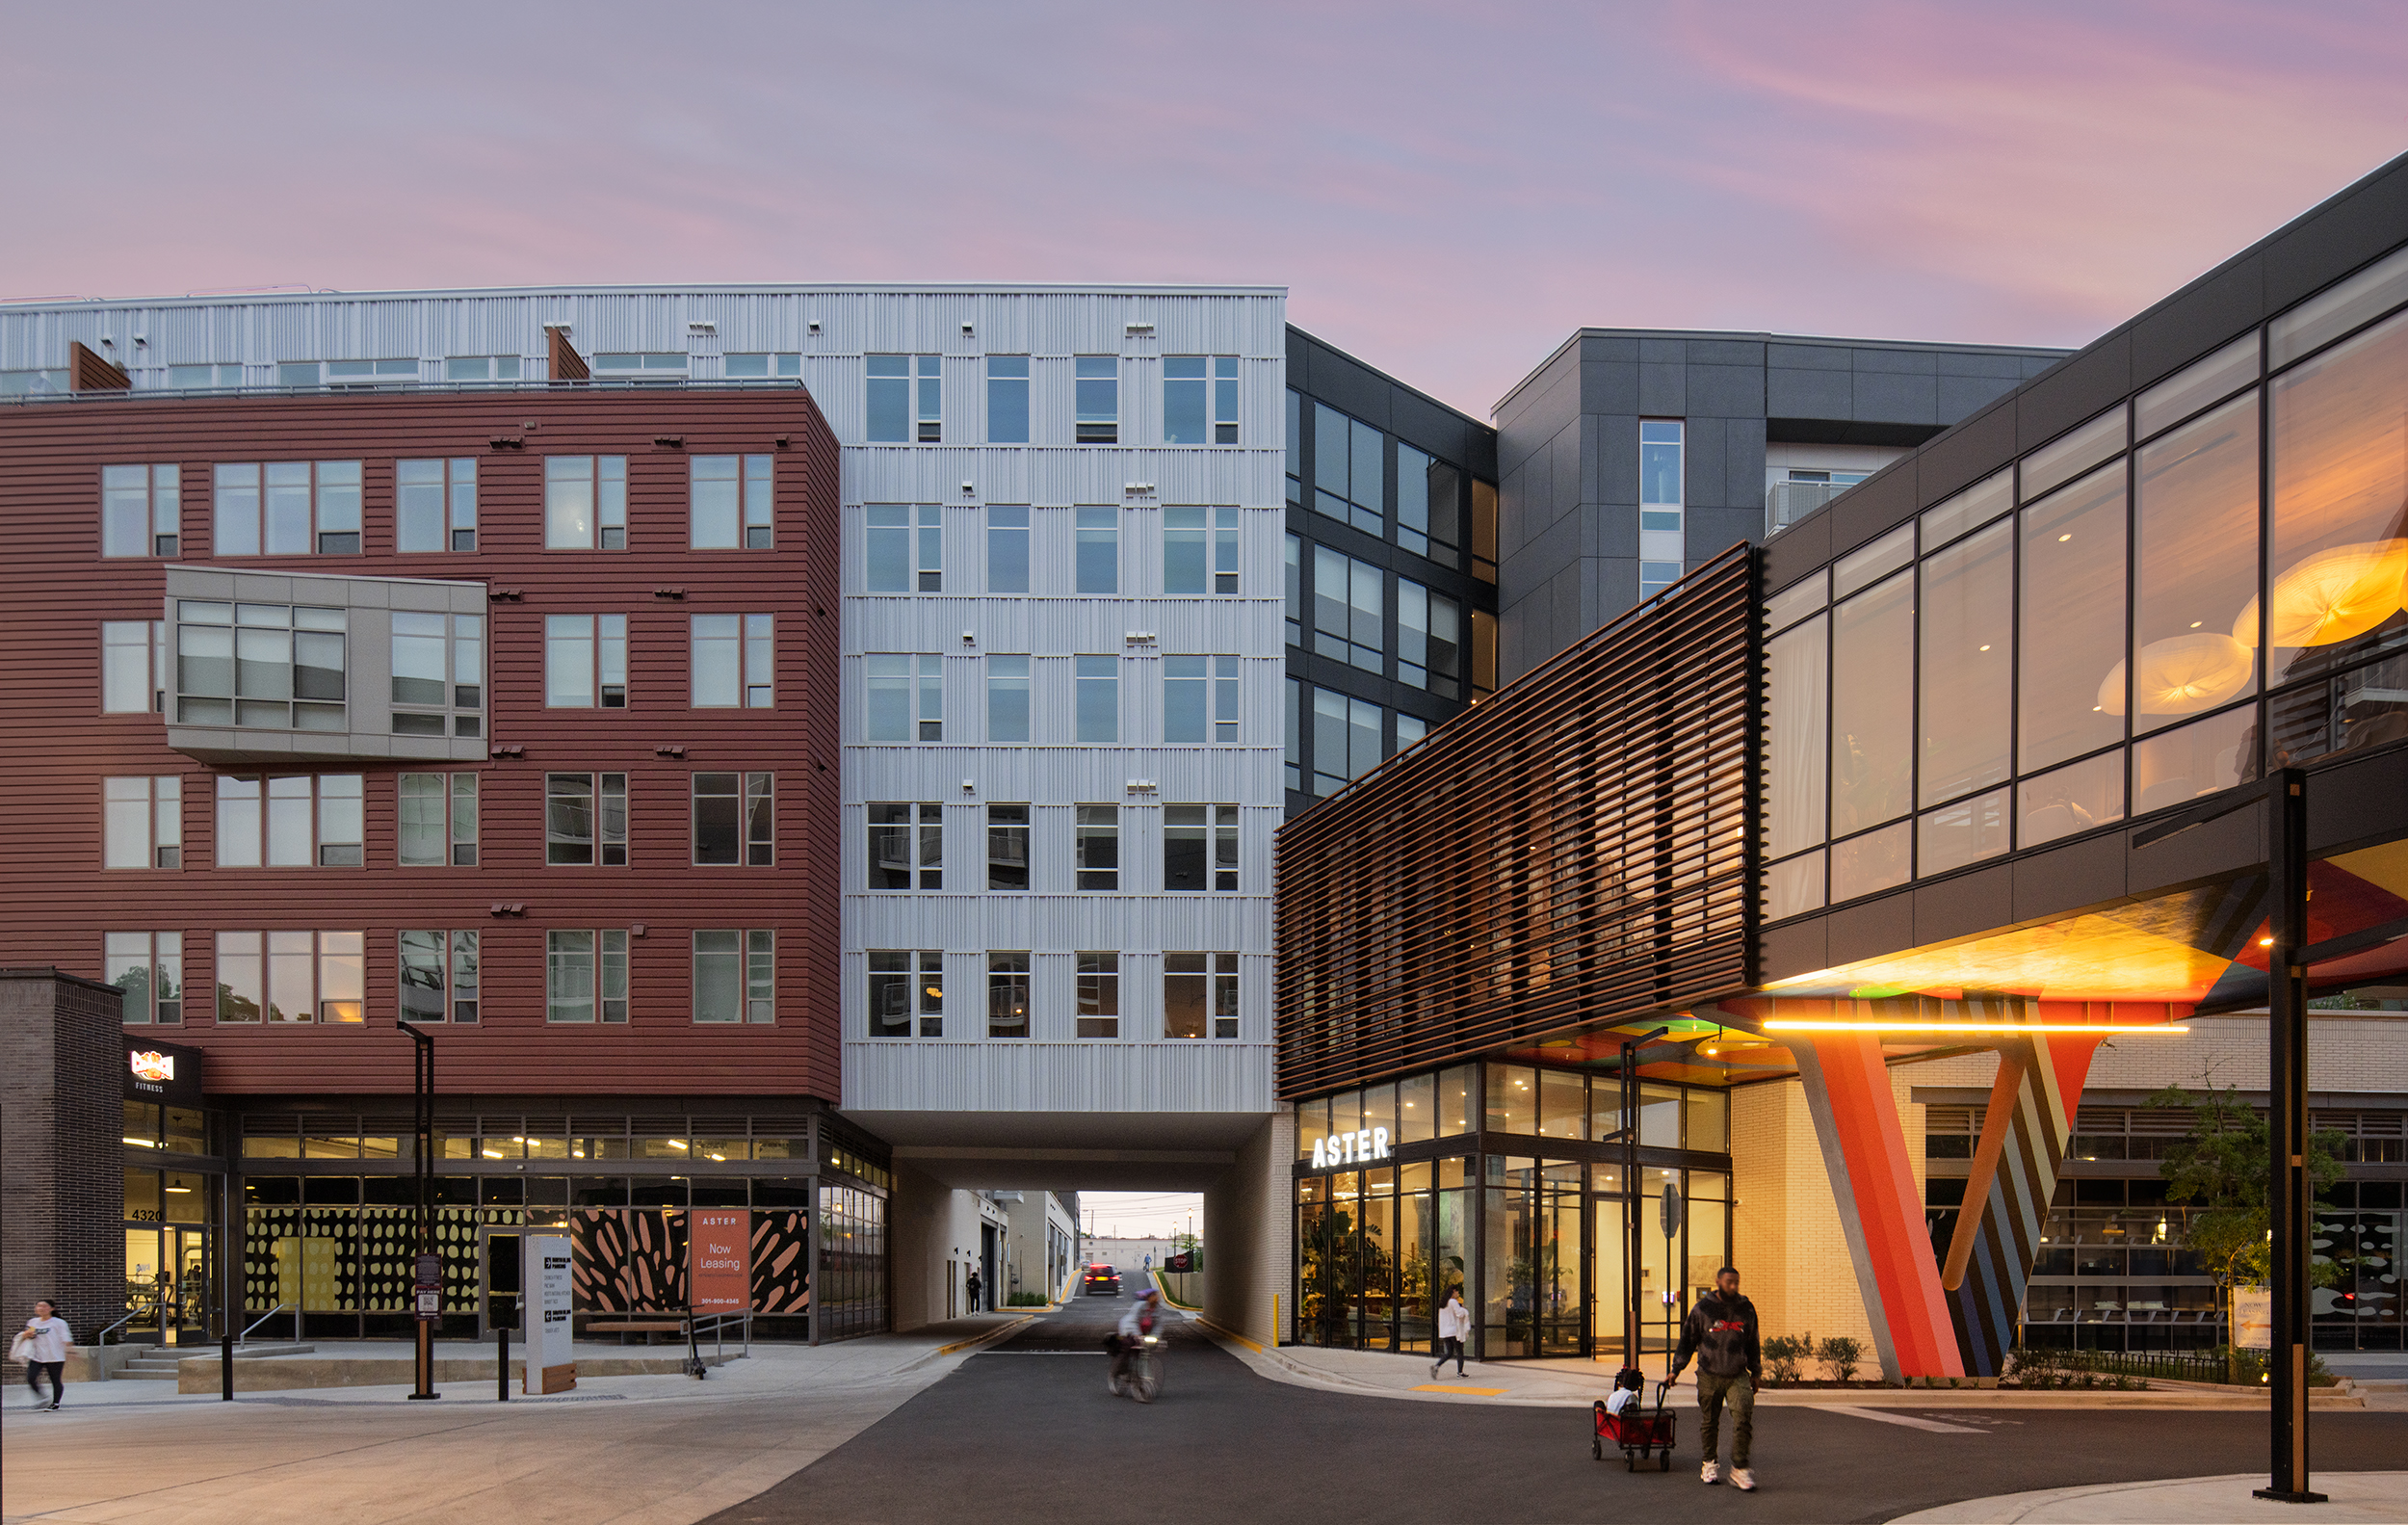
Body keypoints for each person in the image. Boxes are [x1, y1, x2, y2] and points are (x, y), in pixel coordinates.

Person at [1668, 1267, 1761, 1491]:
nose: (1733, 1286)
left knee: (1743, 1418)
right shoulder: (1703, 1309)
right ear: (1718, 1281)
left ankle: (1739, 1468)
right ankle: (1709, 1464)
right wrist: (1675, 1369)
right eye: (1729, 1282)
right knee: (1710, 1422)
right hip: (1709, 1374)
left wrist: (1756, 1372)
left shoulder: (1745, 1308)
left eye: (1736, 1282)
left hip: (1737, 1375)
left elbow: (1753, 1342)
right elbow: (1688, 1340)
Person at [14, 1301, 74, 1411]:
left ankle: (55, 1403)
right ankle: (43, 1398)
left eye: (44, 1306)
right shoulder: (33, 1322)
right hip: (37, 1356)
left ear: (52, 1308)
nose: (41, 1308)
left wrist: (70, 1352)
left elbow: (66, 1339)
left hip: (55, 1356)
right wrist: (27, 1335)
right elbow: (29, 1336)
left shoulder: (59, 1323)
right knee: (31, 1378)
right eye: (39, 1306)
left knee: (55, 1380)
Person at [1111, 1287, 1162, 1391]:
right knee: (1128, 1346)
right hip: (1128, 1329)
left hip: (1143, 1333)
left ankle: (1139, 1377)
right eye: (1155, 1295)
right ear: (1149, 1297)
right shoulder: (1140, 1306)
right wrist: (1137, 1335)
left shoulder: (1157, 1309)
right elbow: (1133, 1321)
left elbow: (1158, 1325)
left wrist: (1156, 1337)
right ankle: (1120, 1370)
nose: (1157, 1298)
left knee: (1144, 1351)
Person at [1430, 1286, 1470, 1379]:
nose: (1458, 1295)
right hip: (1454, 1331)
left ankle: (1436, 1366)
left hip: (1445, 1332)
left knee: (1449, 1353)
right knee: (1460, 1351)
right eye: (1457, 1292)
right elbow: (1459, 1314)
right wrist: (1463, 1309)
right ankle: (1460, 1372)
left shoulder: (1443, 1303)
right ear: (1454, 1291)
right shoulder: (1453, 1302)